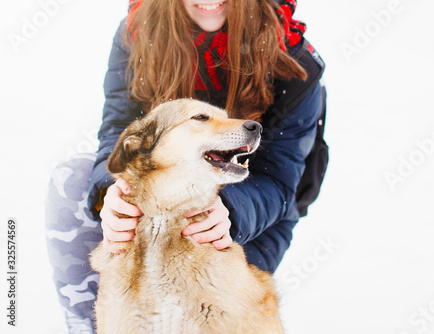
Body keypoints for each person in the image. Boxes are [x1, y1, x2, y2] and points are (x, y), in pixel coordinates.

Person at [45, 0, 326, 332]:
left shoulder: (292, 59)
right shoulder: (138, 32)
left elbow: (280, 181)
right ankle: (85, 325)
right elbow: (118, 130)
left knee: (202, 310)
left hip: (255, 213)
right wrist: (109, 194)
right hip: (156, 199)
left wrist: (231, 215)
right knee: (74, 180)